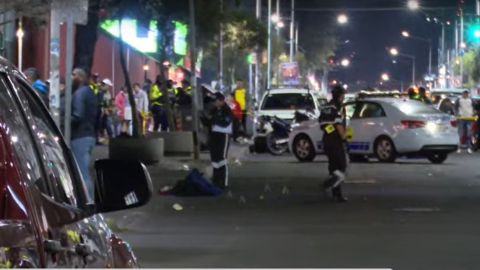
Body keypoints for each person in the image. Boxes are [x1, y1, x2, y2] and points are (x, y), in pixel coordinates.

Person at [70, 67, 98, 203]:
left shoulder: (79, 94)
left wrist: (60, 121)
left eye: (73, 74)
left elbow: (78, 115)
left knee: (82, 172)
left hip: (80, 136)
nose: (71, 77)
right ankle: (88, 199)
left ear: (80, 78)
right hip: (90, 136)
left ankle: (88, 202)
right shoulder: (91, 93)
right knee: (84, 171)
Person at [319, 85, 349, 203]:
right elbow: (339, 124)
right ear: (340, 95)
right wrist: (344, 138)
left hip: (326, 139)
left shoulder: (326, 107)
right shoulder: (339, 107)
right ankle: (327, 185)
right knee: (342, 167)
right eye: (343, 94)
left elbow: (322, 123)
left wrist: (329, 130)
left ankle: (337, 195)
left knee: (333, 166)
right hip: (335, 140)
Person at [203, 92, 233, 189]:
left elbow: (225, 121)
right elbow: (209, 121)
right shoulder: (214, 109)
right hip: (214, 135)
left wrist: (213, 119)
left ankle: (224, 182)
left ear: (221, 100)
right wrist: (205, 119)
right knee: (215, 158)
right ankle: (216, 181)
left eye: (216, 101)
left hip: (223, 135)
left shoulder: (227, 110)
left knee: (222, 158)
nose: (214, 103)